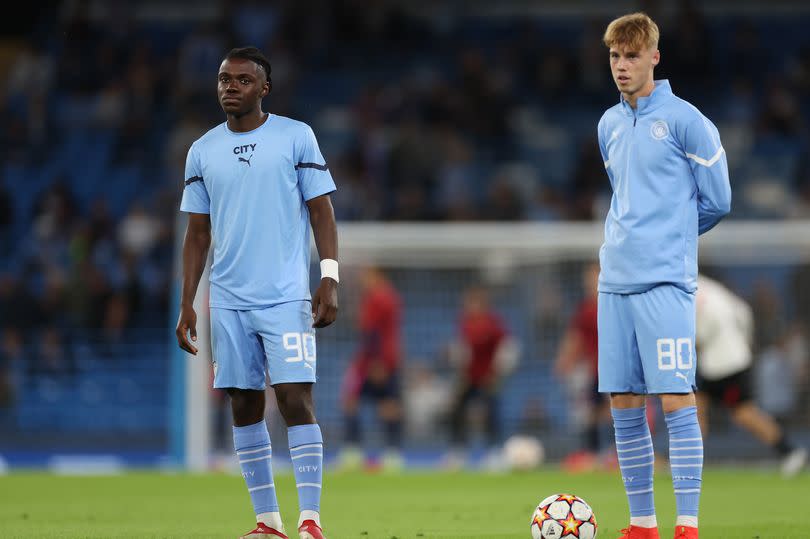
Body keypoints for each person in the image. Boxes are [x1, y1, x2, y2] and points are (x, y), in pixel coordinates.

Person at [175, 47, 338, 539]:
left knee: (293, 398)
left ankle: (310, 521)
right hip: (227, 299)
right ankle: (268, 524)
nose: (230, 87)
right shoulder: (202, 150)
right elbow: (197, 233)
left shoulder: (295, 136)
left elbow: (321, 211)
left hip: (287, 296)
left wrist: (329, 276)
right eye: (224, 78)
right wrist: (188, 300)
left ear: (264, 88)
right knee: (243, 404)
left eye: (243, 80)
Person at [596, 13, 731, 539]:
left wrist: (669, 239)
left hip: (665, 284)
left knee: (676, 397)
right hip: (615, 282)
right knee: (624, 401)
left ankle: (688, 524)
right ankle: (642, 524)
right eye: (614, 57)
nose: (622, 67)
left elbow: (719, 199)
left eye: (631, 56)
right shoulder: (608, 124)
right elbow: (625, 197)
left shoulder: (687, 121)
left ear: (655, 56)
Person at [694, 274, 807, 478]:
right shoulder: (711, 287)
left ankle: (789, 450)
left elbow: (703, 331)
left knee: (741, 412)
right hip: (729, 359)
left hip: (722, 365)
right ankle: (688, 462)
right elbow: (743, 312)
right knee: (696, 407)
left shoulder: (693, 290)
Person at [445, 284, 519, 469]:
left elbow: (508, 348)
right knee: (456, 410)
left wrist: (498, 373)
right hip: (469, 377)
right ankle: (458, 451)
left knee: (491, 412)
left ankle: (494, 452)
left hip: (488, 378)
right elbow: (461, 350)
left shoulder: (493, 324)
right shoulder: (465, 323)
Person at [338, 266, 403, 470]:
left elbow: (372, 331)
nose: (363, 279)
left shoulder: (379, 298)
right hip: (384, 359)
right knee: (387, 405)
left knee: (353, 401)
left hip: (374, 361)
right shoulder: (390, 297)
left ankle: (352, 453)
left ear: (378, 275)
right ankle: (392, 455)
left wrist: (376, 361)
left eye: (367, 275)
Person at [554, 262, 612, 471]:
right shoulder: (586, 308)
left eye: (593, 278)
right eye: (587, 279)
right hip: (596, 370)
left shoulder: (616, 303)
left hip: (618, 369)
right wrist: (565, 358)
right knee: (591, 413)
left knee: (616, 411)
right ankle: (595, 455)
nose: (589, 283)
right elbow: (575, 336)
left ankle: (619, 454)